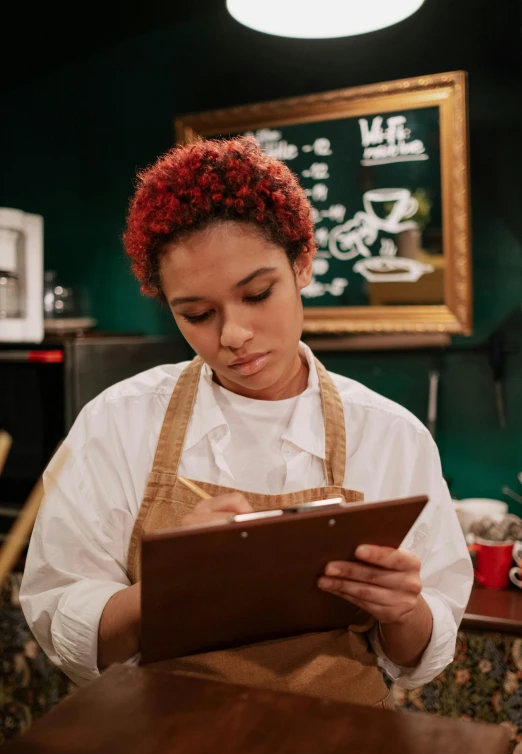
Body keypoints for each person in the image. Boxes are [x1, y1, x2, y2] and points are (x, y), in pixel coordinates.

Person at [20, 137, 472, 706]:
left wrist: (404, 609)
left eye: (257, 294)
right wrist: (164, 589)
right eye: (198, 314)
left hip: (339, 744)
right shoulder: (118, 421)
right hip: (166, 744)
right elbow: (61, 621)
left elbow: (415, 660)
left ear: (302, 263)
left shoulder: (389, 434)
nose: (233, 335)